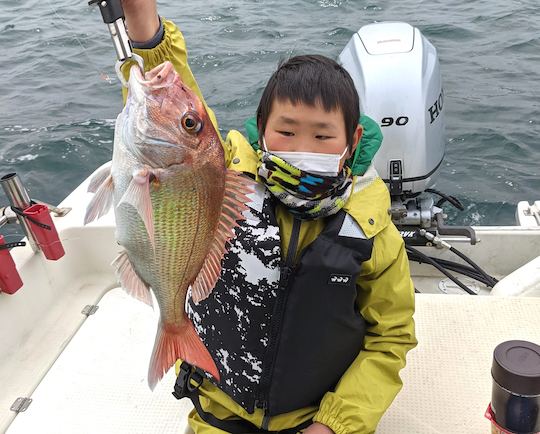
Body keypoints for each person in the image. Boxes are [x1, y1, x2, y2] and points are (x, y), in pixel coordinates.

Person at [120, 2, 417, 433]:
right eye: (287, 130)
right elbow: (177, 111)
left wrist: (336, 423)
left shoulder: (371, 230)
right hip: (218, 409)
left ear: (352, 140)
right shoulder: (223, 175)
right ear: (261, 128)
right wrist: (144, 28)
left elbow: (390, 336)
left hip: (317, 420)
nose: (304, 147)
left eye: (322, 135)